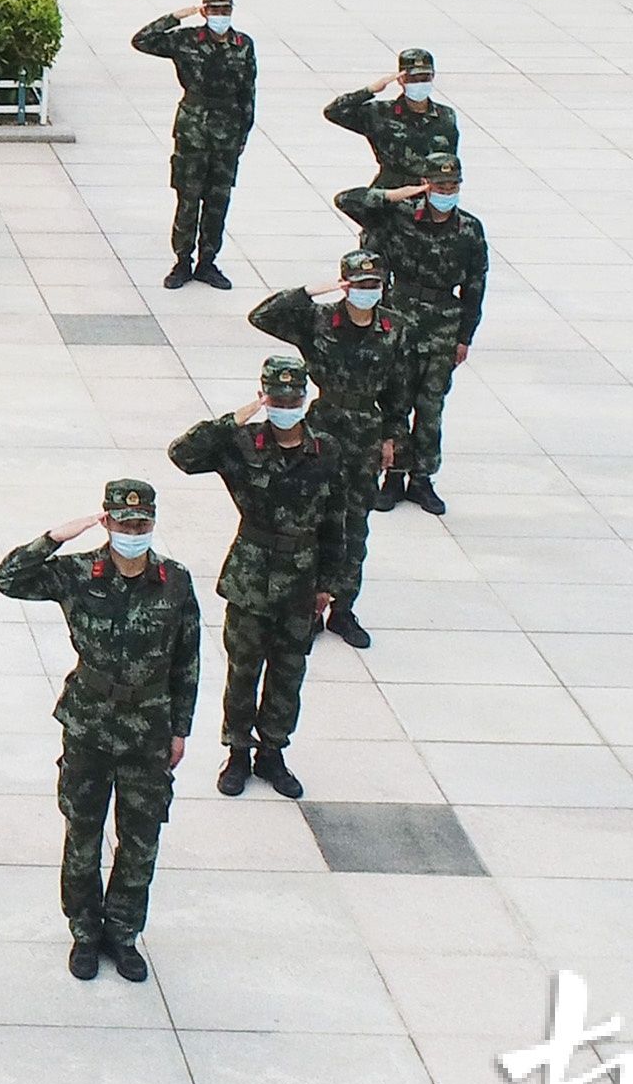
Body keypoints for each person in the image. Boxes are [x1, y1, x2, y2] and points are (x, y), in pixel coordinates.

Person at [0, 483, 201, 983]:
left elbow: (187, 659)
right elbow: (6, 578)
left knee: (141, 839)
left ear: (152, 525)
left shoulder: (175, 582)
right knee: (82, 834)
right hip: (89, 724)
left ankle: (123, 934)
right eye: (123, 524)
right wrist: (54, 537)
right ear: (106, 523)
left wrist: (180, 730)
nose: (133, 533)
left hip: (148, 729)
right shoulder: (78, 573)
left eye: (141, 525)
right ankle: (85, 932)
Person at [169, 356, 342, 801]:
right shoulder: (242, 444)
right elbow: (182, 454)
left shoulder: (325, 450)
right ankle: (238, 753)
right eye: (277, 397)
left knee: (288, 672)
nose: (286, 405)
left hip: (301, 578)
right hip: (252, 575)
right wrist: (238, 416)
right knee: (243, 671)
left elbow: (334, 520)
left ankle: (273, 752)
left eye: (293, 397)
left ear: (305, 398)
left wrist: (328, 584)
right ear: (265, 395)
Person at [248, 249, 413, 648]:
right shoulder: (319, 320)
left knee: (354, 526)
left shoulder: (395, 328)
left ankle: (343, 609)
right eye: (358, 285)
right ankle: (308, 608)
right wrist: (309, 291)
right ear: (344, 284)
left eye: (373, 285)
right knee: (314, 522)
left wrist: (392, 437)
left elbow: (400, 389)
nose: (366, 292)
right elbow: (262, 315)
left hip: (366, 435)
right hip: (322, 429)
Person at [335, 152, 488, 517]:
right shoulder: (401, 217)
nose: (445, 192)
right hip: (400, 316)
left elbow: (476, 286)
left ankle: (422, 479)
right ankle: (393, 476)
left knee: (431, 405)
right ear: (425, 185)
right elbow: (348, 200)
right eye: (438, 185)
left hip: (443, 324)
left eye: (452, 186)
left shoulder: (469, 228)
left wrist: (465, 336)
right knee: (395, 400)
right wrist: (394, 194)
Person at [131, 0, 256, 291]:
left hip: (227, 131)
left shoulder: (243, 44)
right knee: (188, 199)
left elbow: (248, 91)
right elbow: (141, 41)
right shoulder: (186, 40)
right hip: (193, 130)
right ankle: (182, 261)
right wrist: (175, 16)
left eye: (225, 10)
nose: (220, 16)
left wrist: (243, 133)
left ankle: (208, 262)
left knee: (218, 201)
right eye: (214, 11)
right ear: (204, 12)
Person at [326, 48, 460, 191]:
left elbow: (450, 160)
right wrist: (370, 90)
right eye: (413, 79)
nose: (419, 83)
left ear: (433, 77)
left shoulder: (445, 115)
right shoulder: (380, 113)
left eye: (425, 78)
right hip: (390, 192)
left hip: (428, 192)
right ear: (401, 79)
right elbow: (334, 112)